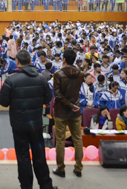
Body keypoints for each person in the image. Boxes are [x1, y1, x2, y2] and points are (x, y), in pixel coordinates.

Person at [0, 49, 56, 189]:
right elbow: (49, 98)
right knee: (39, 154)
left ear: (17, 62)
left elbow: (3, 102)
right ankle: (46, 185)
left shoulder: (11, 79)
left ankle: (26, 186)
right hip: (36, 123)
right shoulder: (41, 78)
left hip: (18, 125)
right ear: (30, 61)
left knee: (23, 156)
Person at [52, 49, 84, 178]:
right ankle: (78, 168)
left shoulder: (58, 74)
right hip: (75, 110)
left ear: (64, 59)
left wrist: (68, 105)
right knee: (78, 139)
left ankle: (61, 169)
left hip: (61, 110)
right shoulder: (81, 74)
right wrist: (73, 105)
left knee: (60, 140)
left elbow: (57, 94)